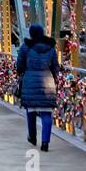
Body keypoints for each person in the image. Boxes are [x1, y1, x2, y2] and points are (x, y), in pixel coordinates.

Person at [16, 23, 61, 152]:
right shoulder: (51, 48)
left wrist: (23, 72)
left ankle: (32, 136)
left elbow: (20, 65)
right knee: (47, 112)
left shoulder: (26, 47)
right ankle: (45, 142)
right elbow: (55, 66)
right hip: (47, 81)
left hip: (30, 80)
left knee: (31, 109)